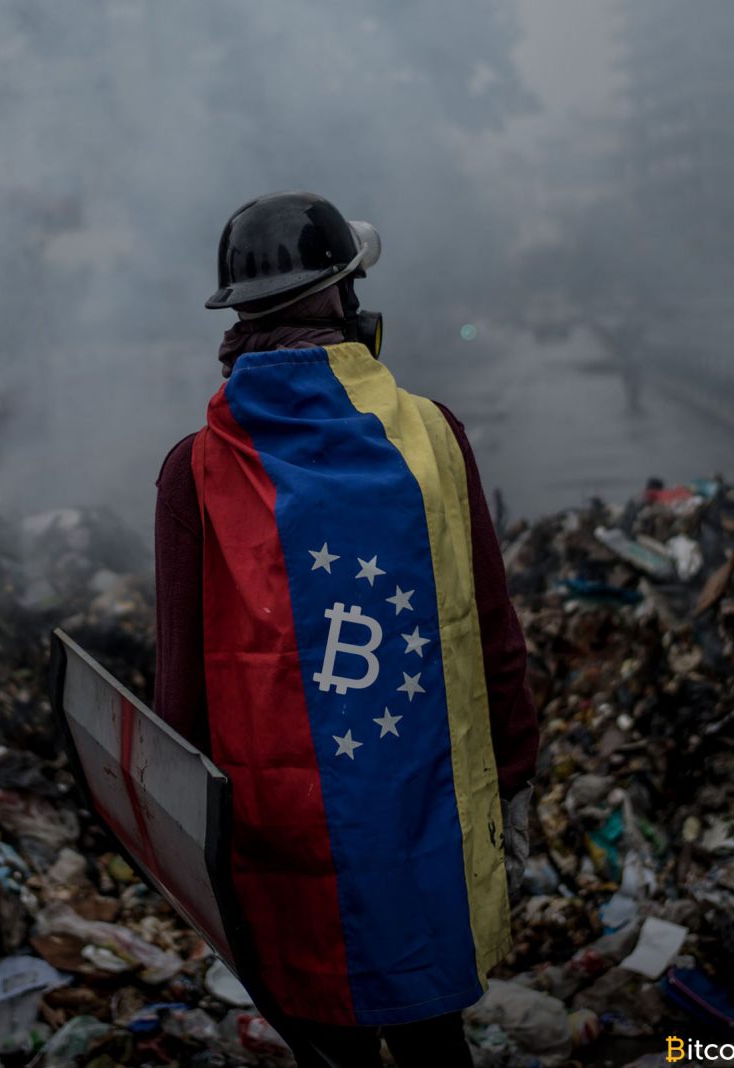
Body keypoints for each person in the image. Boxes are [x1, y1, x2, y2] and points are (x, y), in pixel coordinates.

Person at [154, 191, 538, 1068]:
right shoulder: (434, 437)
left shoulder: (196, 469)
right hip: (425, 818)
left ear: (237, 314)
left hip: (280, 843)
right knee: (434, 1038)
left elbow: (178, 694)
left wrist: (195, 859)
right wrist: (513, 770)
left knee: (330, 1047)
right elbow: (488, 627)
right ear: (344, 296)